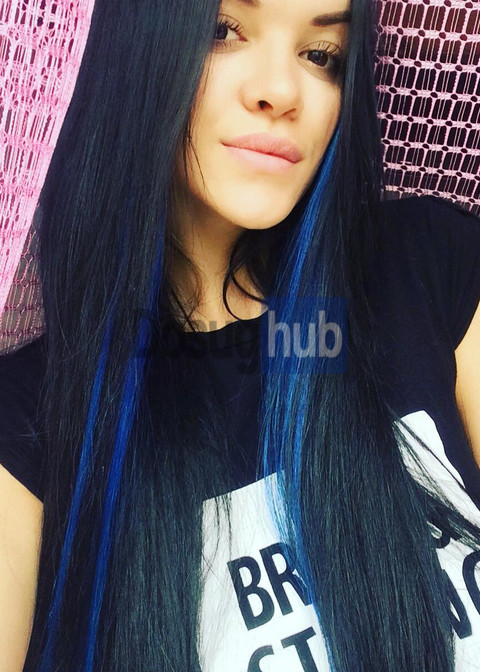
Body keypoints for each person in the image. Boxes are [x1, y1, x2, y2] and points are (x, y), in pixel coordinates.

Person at [1, 0, 480, 670]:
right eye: (221, 31)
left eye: (322, 56)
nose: (281, 92)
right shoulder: (31, 420)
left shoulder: (425, 268)